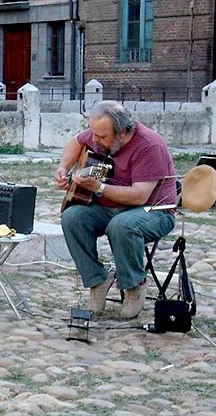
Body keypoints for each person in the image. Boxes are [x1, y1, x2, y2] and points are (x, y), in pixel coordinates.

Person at [54, 101, 176, 319]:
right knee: (72, 217)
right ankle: (97, 280)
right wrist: (64, 168)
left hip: (153, 210)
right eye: (94, 134)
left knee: (121, 226)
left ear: (122, 133)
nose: (95, 142)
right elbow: (76, 142)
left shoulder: (150, 145)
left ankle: (134, 285)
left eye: (102, 137)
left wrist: (99, 187)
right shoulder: (98, 133)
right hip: (110, 206)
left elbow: (139, 195)